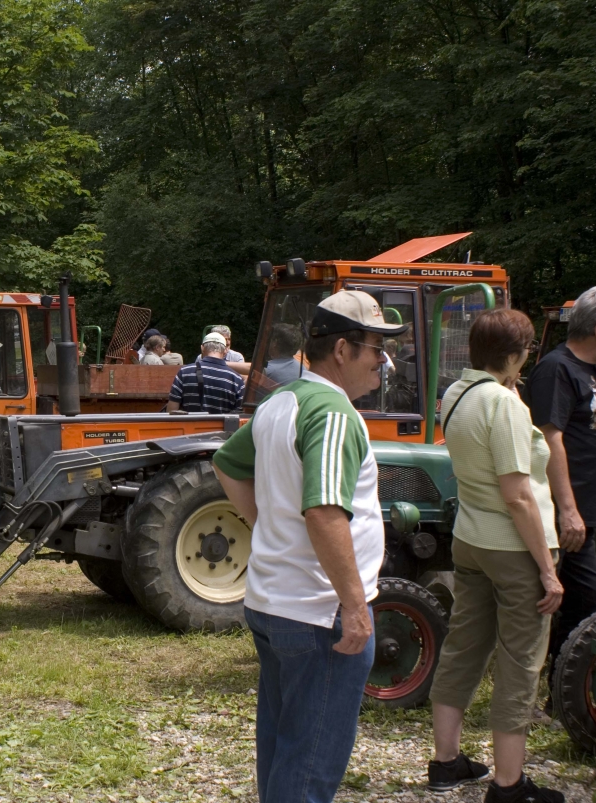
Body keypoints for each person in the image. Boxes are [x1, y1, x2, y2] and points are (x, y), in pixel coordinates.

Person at [212, 290, 404, 803]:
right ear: (342, 349)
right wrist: (355, 605)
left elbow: (227, 464)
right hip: (319, 615)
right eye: (375, 348)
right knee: (312, 762)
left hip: (273, 602)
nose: (383, 362)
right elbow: (323, 511)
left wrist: (270, 525)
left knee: (281, 745)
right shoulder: (334, 413)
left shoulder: (281, 401)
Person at [426, 309, 564, 802]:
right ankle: (509, 784)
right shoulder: (502, 405)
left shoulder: (457, 393)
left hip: (472, 539)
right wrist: (547, 571)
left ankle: (446, 762)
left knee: (465, 645)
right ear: (513, 354)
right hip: (513, 547)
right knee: (520, 661)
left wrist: (512, 390)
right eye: (525, 350)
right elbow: (519, 494)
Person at [523, 285, 596, 700]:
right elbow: (550, 440)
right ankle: (573, 696)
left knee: (573, 607)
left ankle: (557, 694)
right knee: (588, 606)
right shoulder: (557, 370)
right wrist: (568, 510)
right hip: (564, 512)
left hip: (586, 509)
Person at [167, 332, 244, 413]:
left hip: (190, 425)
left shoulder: (184, 372)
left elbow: (172, 411)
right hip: (221, 426)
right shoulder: (237, 379)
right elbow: (240, 414)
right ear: (225, 351)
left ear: (202, 348)